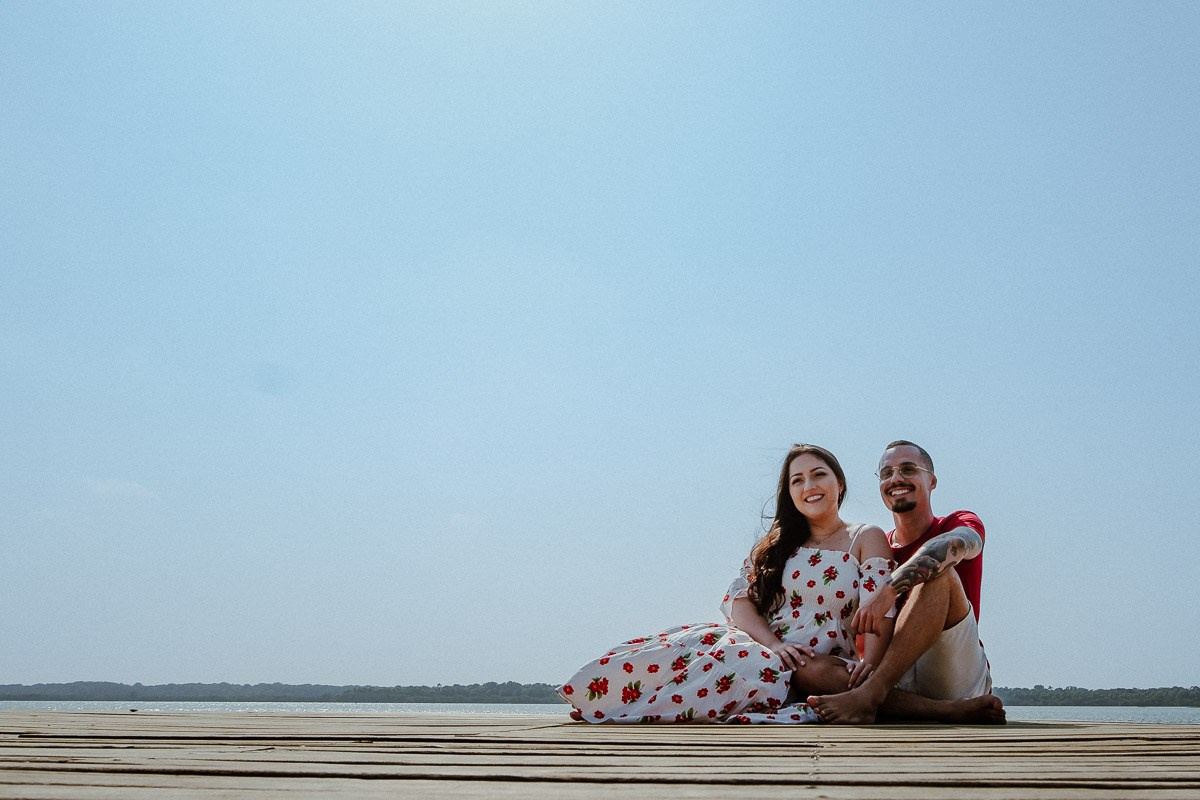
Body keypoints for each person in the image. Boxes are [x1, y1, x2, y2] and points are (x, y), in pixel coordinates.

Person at [558, 444, 896, 723]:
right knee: (693, 648)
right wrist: (773, 645)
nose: (809, 486)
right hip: (764, 645)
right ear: (790, 493)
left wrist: (871, 671)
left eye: (819, 474)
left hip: (822, 661)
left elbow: (880, 612)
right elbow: (739, 599)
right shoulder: (777, 544)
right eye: (798, 480)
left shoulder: (865, 537)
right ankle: (608, 703)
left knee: (767, 670)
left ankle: (622, 712)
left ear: (839, 483)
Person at [806, 440, 1006, 724]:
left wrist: (889, 590)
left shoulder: (958, 523)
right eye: (886, 473)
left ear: (932, 481)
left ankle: (870, 696)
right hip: (892, 674)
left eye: (908, 469)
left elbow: (958, 545)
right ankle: (948, 712)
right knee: (809, 666)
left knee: (939, 573)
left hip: (948, 666)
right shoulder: (876, 547)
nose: (896, 478)